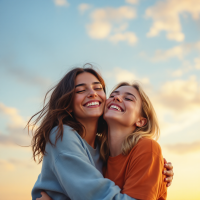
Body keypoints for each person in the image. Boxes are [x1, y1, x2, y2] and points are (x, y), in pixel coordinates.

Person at [28, 64, 173, 200]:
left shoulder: (105, 151)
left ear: (141, 121)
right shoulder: (63, 135)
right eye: (80, 90)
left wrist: (157, 169)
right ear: (69, 104)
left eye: (98, 88)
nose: (92, 94)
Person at [102, 82, 167, 199]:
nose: (116, 98)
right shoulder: (98, 153)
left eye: (128, 98)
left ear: (141, 121)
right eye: (112, 96)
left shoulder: (147, 147)